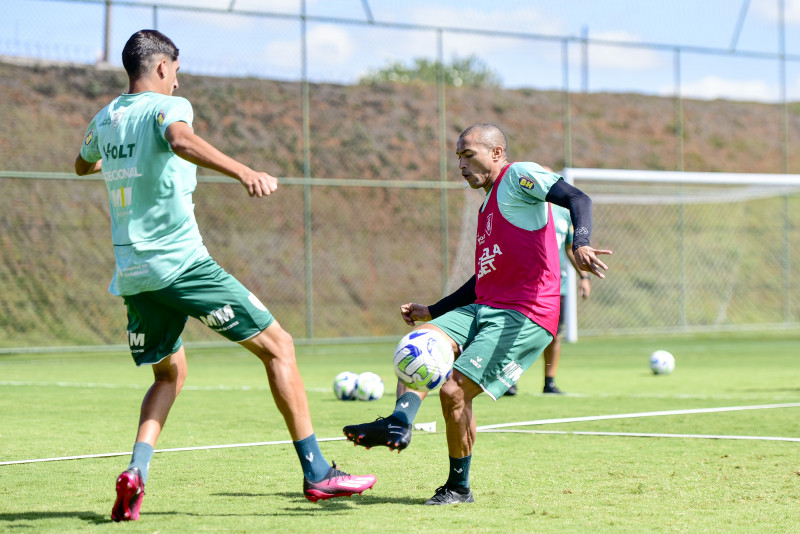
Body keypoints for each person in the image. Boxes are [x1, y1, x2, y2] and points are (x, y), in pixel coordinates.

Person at [74, 30, 375, 522]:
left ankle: (137, 473)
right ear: (163, 67)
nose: (178, 80)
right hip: (181, 264)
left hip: (133, 274)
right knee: (280, 346)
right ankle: (318, 471)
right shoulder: (168, 109)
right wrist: (243, 171)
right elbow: (179, 139)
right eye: (177, 71)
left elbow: (83, 164)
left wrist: (122, 159)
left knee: (170, 373)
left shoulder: (104, 118)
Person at [343, 123, 611, 505]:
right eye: (458, 158)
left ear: (497, 153)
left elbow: (577, 197)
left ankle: (458, 487)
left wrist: (581, 243)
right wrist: (432, 310)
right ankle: (400, 421)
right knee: (421, 342)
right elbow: (482, 278)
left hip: (526, 313)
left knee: (453, 391)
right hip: (486, 305)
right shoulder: (487, 207)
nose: (461, 166)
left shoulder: (519, 175)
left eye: (469, 156)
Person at [505, 202, 592, 396]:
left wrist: (584, 277)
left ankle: (549, 383)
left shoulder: (563, 213)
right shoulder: (524, 209)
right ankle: (509, 380)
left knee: (555, 335)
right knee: (519, 332)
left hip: (557, 286)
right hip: (527, 285)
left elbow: (570, 249)